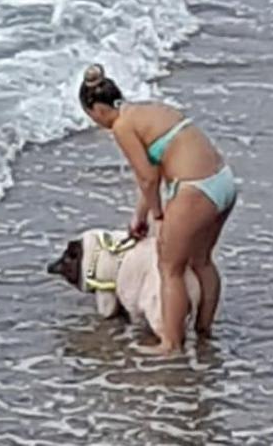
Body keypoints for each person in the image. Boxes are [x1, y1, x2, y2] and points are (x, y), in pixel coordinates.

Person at [78, 63, 237, 355]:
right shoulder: (147, 111)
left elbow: (148, 178)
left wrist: (159, 216)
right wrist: (140, 216)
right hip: (222, 181)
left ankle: (171, 343)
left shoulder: (122, 126)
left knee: (169, 267)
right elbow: (156, 171)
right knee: (202, 260)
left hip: (195, 188)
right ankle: (204, 331)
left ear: (97, 110)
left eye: (91, 117)